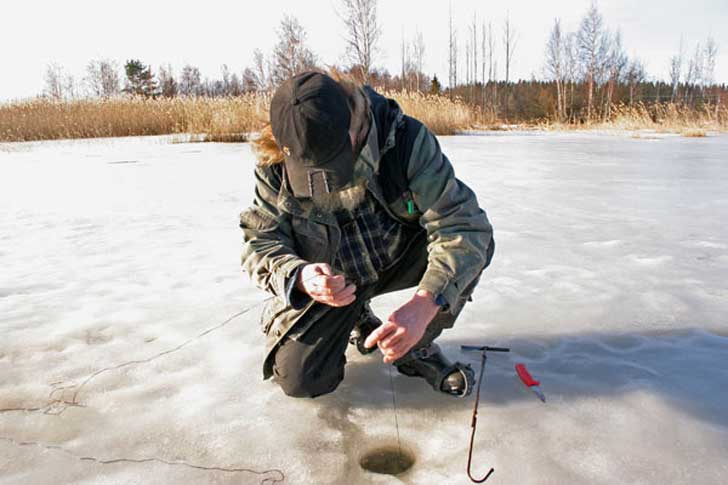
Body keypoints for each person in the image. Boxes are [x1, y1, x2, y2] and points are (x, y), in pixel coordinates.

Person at [239, 70, 494, 399]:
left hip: (398, 255)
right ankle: (356, 316)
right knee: (302, 379)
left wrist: (427, 302)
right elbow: (259, 242)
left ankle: (416, 344)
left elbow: (461, 225)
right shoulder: (274, 165)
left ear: (355, 124)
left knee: (476, 248)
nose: (327, 182)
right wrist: (300, 276)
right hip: (335, 284)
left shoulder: (404, 139)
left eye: (333, 164)